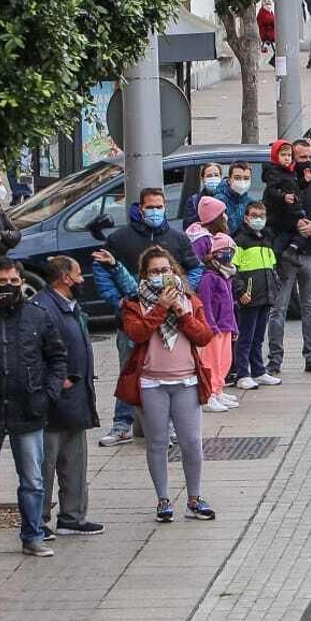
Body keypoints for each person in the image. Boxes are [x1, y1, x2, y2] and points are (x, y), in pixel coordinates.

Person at [0, 258, 67, 561]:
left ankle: (33, 535)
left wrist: (48, 394)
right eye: (2, 282)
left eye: (13, 282)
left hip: (29, 409)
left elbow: (57, 358)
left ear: (22, 283)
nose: (8, 287)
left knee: (33, 480)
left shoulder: (38, 315)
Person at [89, 187, 202, 447]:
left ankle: (168, 426)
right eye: (150, 207)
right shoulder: (120, 239)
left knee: (169, 374)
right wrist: (117, 301)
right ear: (140, 208)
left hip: (170, 324)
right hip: (133, 320)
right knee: (129, 371)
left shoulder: (177, 239)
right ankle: (122, 424)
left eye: (159, 206)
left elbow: (195, 269)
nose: (155, 211)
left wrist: (183, 293)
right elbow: (102, 268)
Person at [115, 246, 216, 524]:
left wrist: (181, 313)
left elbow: (204, 335)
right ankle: (163, 499)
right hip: (152, 383)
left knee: (191, 442)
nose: (161, 275)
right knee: (157, 443)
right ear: (144, 275)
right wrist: (160, 307)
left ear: (174, 271)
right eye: (155, 271)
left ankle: (194, 498)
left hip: (186, 381)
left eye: (165, 270)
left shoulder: (189, 300)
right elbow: (137, 333)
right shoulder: (134, 303)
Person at [30, 257, 104, 539]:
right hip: (53, 402)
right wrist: (54, 386)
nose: (82, 279)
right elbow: (35, 354)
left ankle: (72, 517)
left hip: (76, 400)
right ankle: (37, 521)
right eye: (78, 274)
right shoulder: (42, 309)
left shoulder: (70, 306)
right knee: (44, 464)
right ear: (65, 278)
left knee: (74, 462)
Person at [265, 140, 311, 376]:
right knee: (278, 308)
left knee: (310, 307)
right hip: (286, 256)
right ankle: (275, 359)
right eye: (300, 157)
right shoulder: (281, 189)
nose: (306, 162)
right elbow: (269, 219)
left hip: (310, 254)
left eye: (309, 158)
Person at [230, 201, 278, 390]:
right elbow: (233, 270)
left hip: (265, 296)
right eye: (254, 216)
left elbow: (272, 268)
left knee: (258, 337)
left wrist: (274, 289)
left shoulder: (267, 240)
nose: (258, 219)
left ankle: (258, 371)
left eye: (261, 216)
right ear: (246, 218)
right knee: (245, 337)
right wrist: (240, 291)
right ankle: (242, 373)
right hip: (248, 297)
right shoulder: (240, 241)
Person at [196, 234, 239, 412]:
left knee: (224, 361)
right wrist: (210, 326)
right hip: (214, 328)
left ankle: (218, 389)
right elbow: (205, 304)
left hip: (226, 325)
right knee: (211, 362)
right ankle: (209, 394)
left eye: (230, 251)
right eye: (223, 250)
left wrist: (234, 326)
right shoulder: (209, 277)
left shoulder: (226, 276)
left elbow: (230, 304)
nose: (228, 254)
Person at [182, 163, 226, 227]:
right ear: (202, 179)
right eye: (209, 176)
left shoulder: (228, 198)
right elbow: (188, 226)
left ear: (221, 177)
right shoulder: (194, 201)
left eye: (216, 175)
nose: (213, 178)